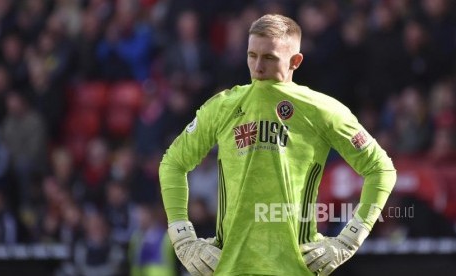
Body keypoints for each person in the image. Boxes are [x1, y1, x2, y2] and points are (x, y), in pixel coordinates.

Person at [159, 14, 396, 276]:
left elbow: (381, 169)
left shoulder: (321, 110)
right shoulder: (222, 106)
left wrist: (349, 239)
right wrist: (182, 236)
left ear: (296, 61)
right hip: (229, 268)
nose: (258, 67)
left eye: (269, 57)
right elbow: (173, 163)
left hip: (295, 268)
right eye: (252, 55)